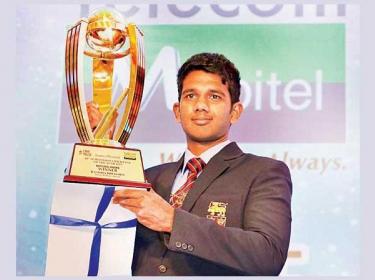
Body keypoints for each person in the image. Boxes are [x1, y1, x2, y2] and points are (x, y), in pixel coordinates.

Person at [110, 53, 293, 276]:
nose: (201, 106)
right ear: (178, 111)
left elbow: (268, 256)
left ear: (235, 112)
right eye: (190, 96)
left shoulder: (263, 173)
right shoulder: (147, 178)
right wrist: (100, 147)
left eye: (214, 97)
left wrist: (173, 221)